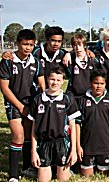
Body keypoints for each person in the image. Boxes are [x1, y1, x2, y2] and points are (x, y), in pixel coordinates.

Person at [0, 29, 45, 182]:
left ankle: (26, 168)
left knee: (27, 136)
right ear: (17, 43)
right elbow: (5, 88)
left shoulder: (36, 62)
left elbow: (42, 85)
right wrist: (20, 107)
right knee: (18, 137)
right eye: (25, 44)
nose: (27, 48)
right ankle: (13, 175)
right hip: (14, 104)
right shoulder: (7, 61)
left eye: (31, 45)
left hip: (30, 104)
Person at [30, 67, 80, 182]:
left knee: (63, 179)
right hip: (44, 142)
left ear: (63, 81)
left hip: (61, 142)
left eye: (58, 80)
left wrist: (73, 150)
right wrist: (33, 150)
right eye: (52, 79)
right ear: (47, 79)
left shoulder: (67, 99)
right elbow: (34, 127)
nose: (55, 82)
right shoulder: (38, 100)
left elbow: (73, 126)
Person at [76, 70, 109, 177]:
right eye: (96, 83)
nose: (99, 86)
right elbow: (77, 125)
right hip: (87, 147)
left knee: (103, 177)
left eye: (102, 83)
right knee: (87, 177)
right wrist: (78, 146)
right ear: (90, 83)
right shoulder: (82, 100)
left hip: (105, 146)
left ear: (105, 84)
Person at [66, 34, 100, 103]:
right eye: (75, 45)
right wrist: (68, 54)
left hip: (90, 96)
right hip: (74, 97)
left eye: (80, 45)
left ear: (84, 45)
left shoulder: (93, 60)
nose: (78, 48)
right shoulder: (69, 60)